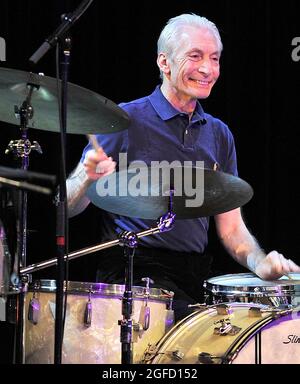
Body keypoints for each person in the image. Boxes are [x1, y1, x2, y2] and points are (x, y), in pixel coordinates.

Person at [67, 13, 300, 322]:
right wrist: (86, 174)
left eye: (214, 58)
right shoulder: (124, 119)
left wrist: (260, 262)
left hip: (193, 276)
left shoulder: (219, 134)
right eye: (195, 56)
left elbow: (231, 228)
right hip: (133, 275)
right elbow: (67, 207)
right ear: (164, 63)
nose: (208, 69)